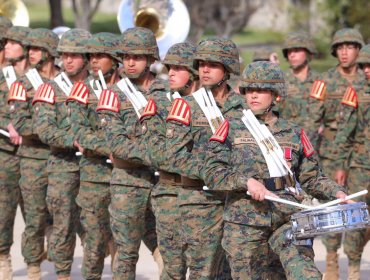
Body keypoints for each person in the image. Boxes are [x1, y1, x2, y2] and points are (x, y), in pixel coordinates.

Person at [203, 61, 349, 280]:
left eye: (261, 90)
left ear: (275, 94)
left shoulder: (293, 131)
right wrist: (247, 182)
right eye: (250, 90)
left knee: (306, 274)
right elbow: (213, 172)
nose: (253, 95)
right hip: (246, 223)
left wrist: (336, 193)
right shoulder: (231, 126)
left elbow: (311, 177)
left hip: (286, 218)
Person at [165, 37, 244, 279]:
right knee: (202, 270)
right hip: (199, 200)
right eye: (201, 64)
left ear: (227, 68)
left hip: (236, 200)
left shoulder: (244, 108)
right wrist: (213, 171)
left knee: (234, 269)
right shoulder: (186, 106)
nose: (204, 70)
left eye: (212, 64)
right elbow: (174, 156)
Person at [96, 27, 162, 279]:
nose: (130, 63)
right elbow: (117, 142)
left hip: (164, 182)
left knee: (171, 250)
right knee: (126, 252)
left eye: (137, 57)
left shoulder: (167, 93)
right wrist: (160, 154)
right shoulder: (113, 94)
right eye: (126, 57)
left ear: (151, 59)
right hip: (127, 182)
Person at [32, 28, 91, 280]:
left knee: (96, 228)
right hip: (62, 168)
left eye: (75, 55)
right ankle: (63, 275)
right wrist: (74, 140)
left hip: (94, 168)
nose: (68, 60)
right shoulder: (49, 89)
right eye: (65, 54)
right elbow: (44, 129)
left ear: (87, 57)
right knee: (63, 226)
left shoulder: (100, 89)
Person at [8, 28, 60, 280]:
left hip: (62, 160)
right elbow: (20, 122)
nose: (31, 53)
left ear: (50, 52)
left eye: (36, 49)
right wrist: (55, 133)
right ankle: (33, 269)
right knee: (35, 217)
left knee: (65, 217)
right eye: (29, 49)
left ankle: (61, 262)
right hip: (33, 160)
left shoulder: (66, 81)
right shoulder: (22, 84)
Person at [67, 32, 119, 279]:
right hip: (94, 178)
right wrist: (112, 147)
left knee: (124, 244)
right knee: (95, 243)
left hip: (126, 176)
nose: (94, 61)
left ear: (114, 59)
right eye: (91, 56)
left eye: (101, 56)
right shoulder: (81, 90)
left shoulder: (127, 91)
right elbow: (80, 133)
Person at [319, 28, 366, 280]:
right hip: (331, 154)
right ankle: (331, 260)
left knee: (359, 211)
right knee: (335, 210)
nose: (345, 52)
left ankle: (355, 258)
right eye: (340, 47)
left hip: (361, 156)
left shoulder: (365, 80)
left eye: (350, 47)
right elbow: (313, 116)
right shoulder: (324, 80)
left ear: (359, 50)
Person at [331, 44, 370, 279]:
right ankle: (354, 269)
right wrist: (340, 165)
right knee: (357, 217)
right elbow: (344, 132)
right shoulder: (354, 91)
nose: (366, 70)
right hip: (360, 167)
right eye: (364, 65)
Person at [0, 25, 30, 280]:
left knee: (39, 211)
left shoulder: (36, 77)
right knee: (4, 209)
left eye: (12, 42)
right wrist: (7, 124)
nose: (6, 46)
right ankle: (3, 259)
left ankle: (37, 256)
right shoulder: (3, 77)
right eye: (5, 43)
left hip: (35, 153)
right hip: (6, 154)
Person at [279, 31, 323, 149]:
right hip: (287, 144)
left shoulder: (320, 81)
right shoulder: (280, 81)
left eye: (297, 50)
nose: (292, 55)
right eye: (289, 51)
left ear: (308, 53)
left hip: (316, 146)